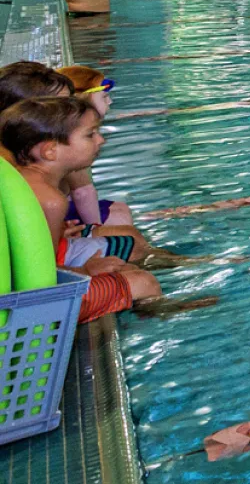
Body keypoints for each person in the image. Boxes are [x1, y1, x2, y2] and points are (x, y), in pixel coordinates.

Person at [0, 98, 213, 319]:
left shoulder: (26, 180)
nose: (101, 140)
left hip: (51, 268)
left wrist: (60, 234)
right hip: (40, 305)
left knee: (129, 244)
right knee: (143, 282)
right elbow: (37, 277)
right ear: (50, 151)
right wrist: (85, 271)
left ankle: (179, 270)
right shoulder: (50, 201)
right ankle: (161, 312)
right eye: (90, 135)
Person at [53, 66, 131, 226]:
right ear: (83, 99)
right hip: (55, 214)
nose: (110, 101)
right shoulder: (71, 138)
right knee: (121, 221)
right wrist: (96, 229)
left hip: (58, 206)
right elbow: (82, 192)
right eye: (104, 96)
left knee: (121, 209)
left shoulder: (60, 127)